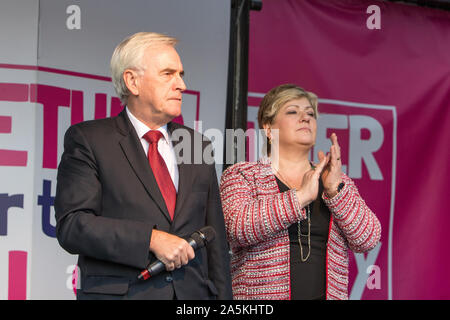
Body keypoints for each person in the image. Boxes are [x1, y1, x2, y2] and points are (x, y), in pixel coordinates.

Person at [55, 32, 232, 300]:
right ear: (132, 81)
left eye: (181, 74)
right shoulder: (89, 139)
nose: (181, 84)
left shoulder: (198, 145)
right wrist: (151, 239)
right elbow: (73, 225)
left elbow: (215, 239)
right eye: (168, 74)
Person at [220, 84, 381, 300]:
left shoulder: (335, 180)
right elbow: (235, 228)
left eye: (310, 114)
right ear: (268, 129)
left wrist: (336, 191)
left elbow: (368, 239)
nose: (305, 118)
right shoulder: (244, 175)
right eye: (293, 111)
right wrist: (299, 197)